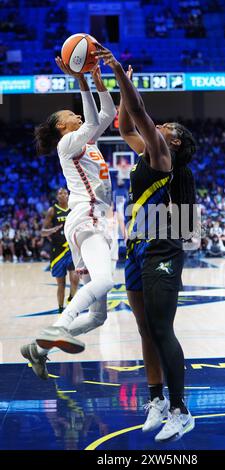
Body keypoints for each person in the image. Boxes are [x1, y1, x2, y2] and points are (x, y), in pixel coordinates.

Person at [93, 46, 196, 442]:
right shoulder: (144, 153)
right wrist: (122, 88)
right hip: (137, 246)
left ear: (173, 143)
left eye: (166, 128)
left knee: (161, 327)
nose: (160, 127)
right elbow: (124, 125)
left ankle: (180, 409)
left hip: (162, 248)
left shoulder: (161, 156)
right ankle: (155, 398)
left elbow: (139, 115)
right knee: (142, 328)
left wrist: (120, 72)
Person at [21, 55, 117, 380]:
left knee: (98, 316)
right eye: (70, 114)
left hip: (94, 219)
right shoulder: (67, 143)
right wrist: (82, 79)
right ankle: (56, 329)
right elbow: (91, 121)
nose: (76, 113)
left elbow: (108, 114)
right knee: (105, 282)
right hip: (87, 216)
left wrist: (97, 79)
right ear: (62, 126)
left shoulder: (85, 141)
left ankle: (39, 346)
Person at [41, 187, 79, 314]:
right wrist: (52, 230)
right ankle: (60, 308)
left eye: (65, 193)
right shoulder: (52, 211)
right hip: (57, 251)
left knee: (75, 277)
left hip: (71, 248)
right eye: (60, 193)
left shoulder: (74, 209)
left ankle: (72, 299)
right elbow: (42, 232)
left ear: (68, 195)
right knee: (61, 283)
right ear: (57, 196)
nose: (62, 195)